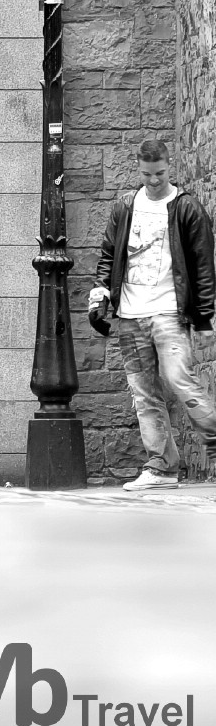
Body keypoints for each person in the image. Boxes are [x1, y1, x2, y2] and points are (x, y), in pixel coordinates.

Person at [89, 138, 216, 491]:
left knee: (178, 379)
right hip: (130, 315)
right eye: (147, 174)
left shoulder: (186, 207)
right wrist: (100, 296)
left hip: (168, 313)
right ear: (138, 169)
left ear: (168, 165)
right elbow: (108, 255)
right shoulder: (126, 205)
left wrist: (204, 316)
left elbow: (204, 264)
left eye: (159, 173)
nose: (154, 180)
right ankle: (162, 468)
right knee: (144, 395)